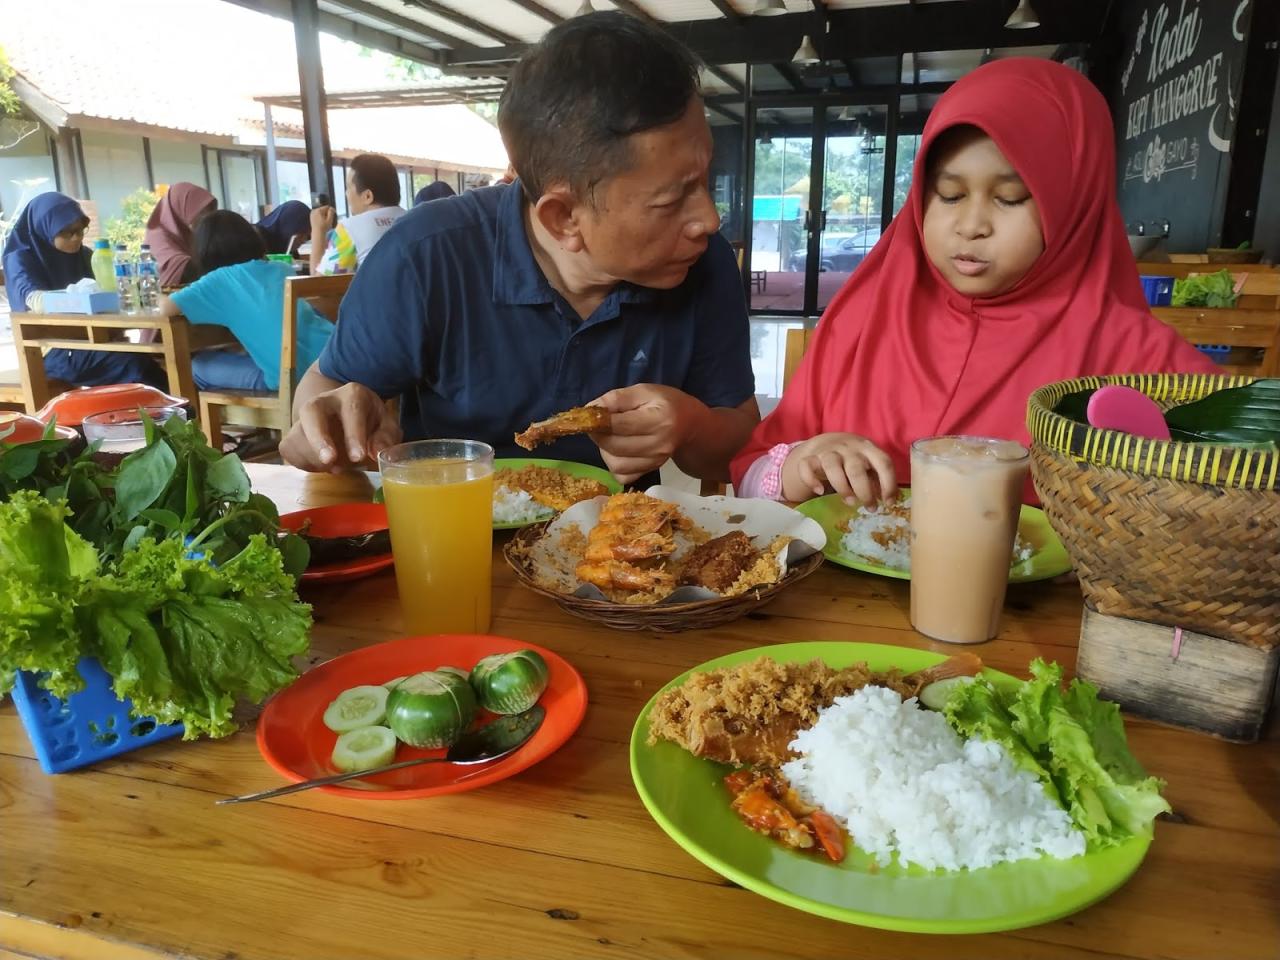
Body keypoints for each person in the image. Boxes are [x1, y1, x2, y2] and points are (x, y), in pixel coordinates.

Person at [278, 12, 757, 485]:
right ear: (563, 217)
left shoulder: (703, 262)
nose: (709, 220)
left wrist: (691, 425)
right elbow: (326, 385)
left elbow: (735, 450)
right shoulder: (427, 256)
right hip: (451, 536)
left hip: (614, 548)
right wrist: (327, 427)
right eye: (672, 199)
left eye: (705, 180)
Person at [731, 58, 1217, 506]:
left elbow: (1241, 494)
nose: (971, 225)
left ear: (1073, 204)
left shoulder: (1139, 359)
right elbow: (749, 477)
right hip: (839, 599)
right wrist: (802, 464)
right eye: (949, 194)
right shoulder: (860, 323)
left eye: (1009, 198)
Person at [2, 192, 166, 390]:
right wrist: (78, 298)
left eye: (80, 231)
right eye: (67, 232)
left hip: (90, 339)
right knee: (133, 365)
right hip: (50, 350)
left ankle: (179, 414)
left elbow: (109, 288)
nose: (76, 238)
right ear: (45, 229)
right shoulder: (20, 258)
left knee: (143, 360)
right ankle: (181, 415)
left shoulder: (85, 255)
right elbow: (33, 300)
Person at [160, 211, 332, 392]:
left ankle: (208, 419)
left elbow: (167, 308)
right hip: (329, 360)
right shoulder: (282, 268)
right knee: (240, 351)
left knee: (198, 366)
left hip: (291, 379)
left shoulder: (218, 281)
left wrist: (157, 295)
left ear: (204, 249)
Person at [309, 154, 407, 275]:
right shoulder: (415, 221)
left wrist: (318, 231)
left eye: (348, 187)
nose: (346, 194)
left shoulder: (349, 230)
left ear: (367, 196)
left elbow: (316, 287)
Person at [144, 182, 217, 286]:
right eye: (201, 212)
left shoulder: (185, 234)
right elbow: (189, 271)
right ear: (180, 208)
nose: (206, 219)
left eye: (209, 212)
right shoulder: (159, 239)